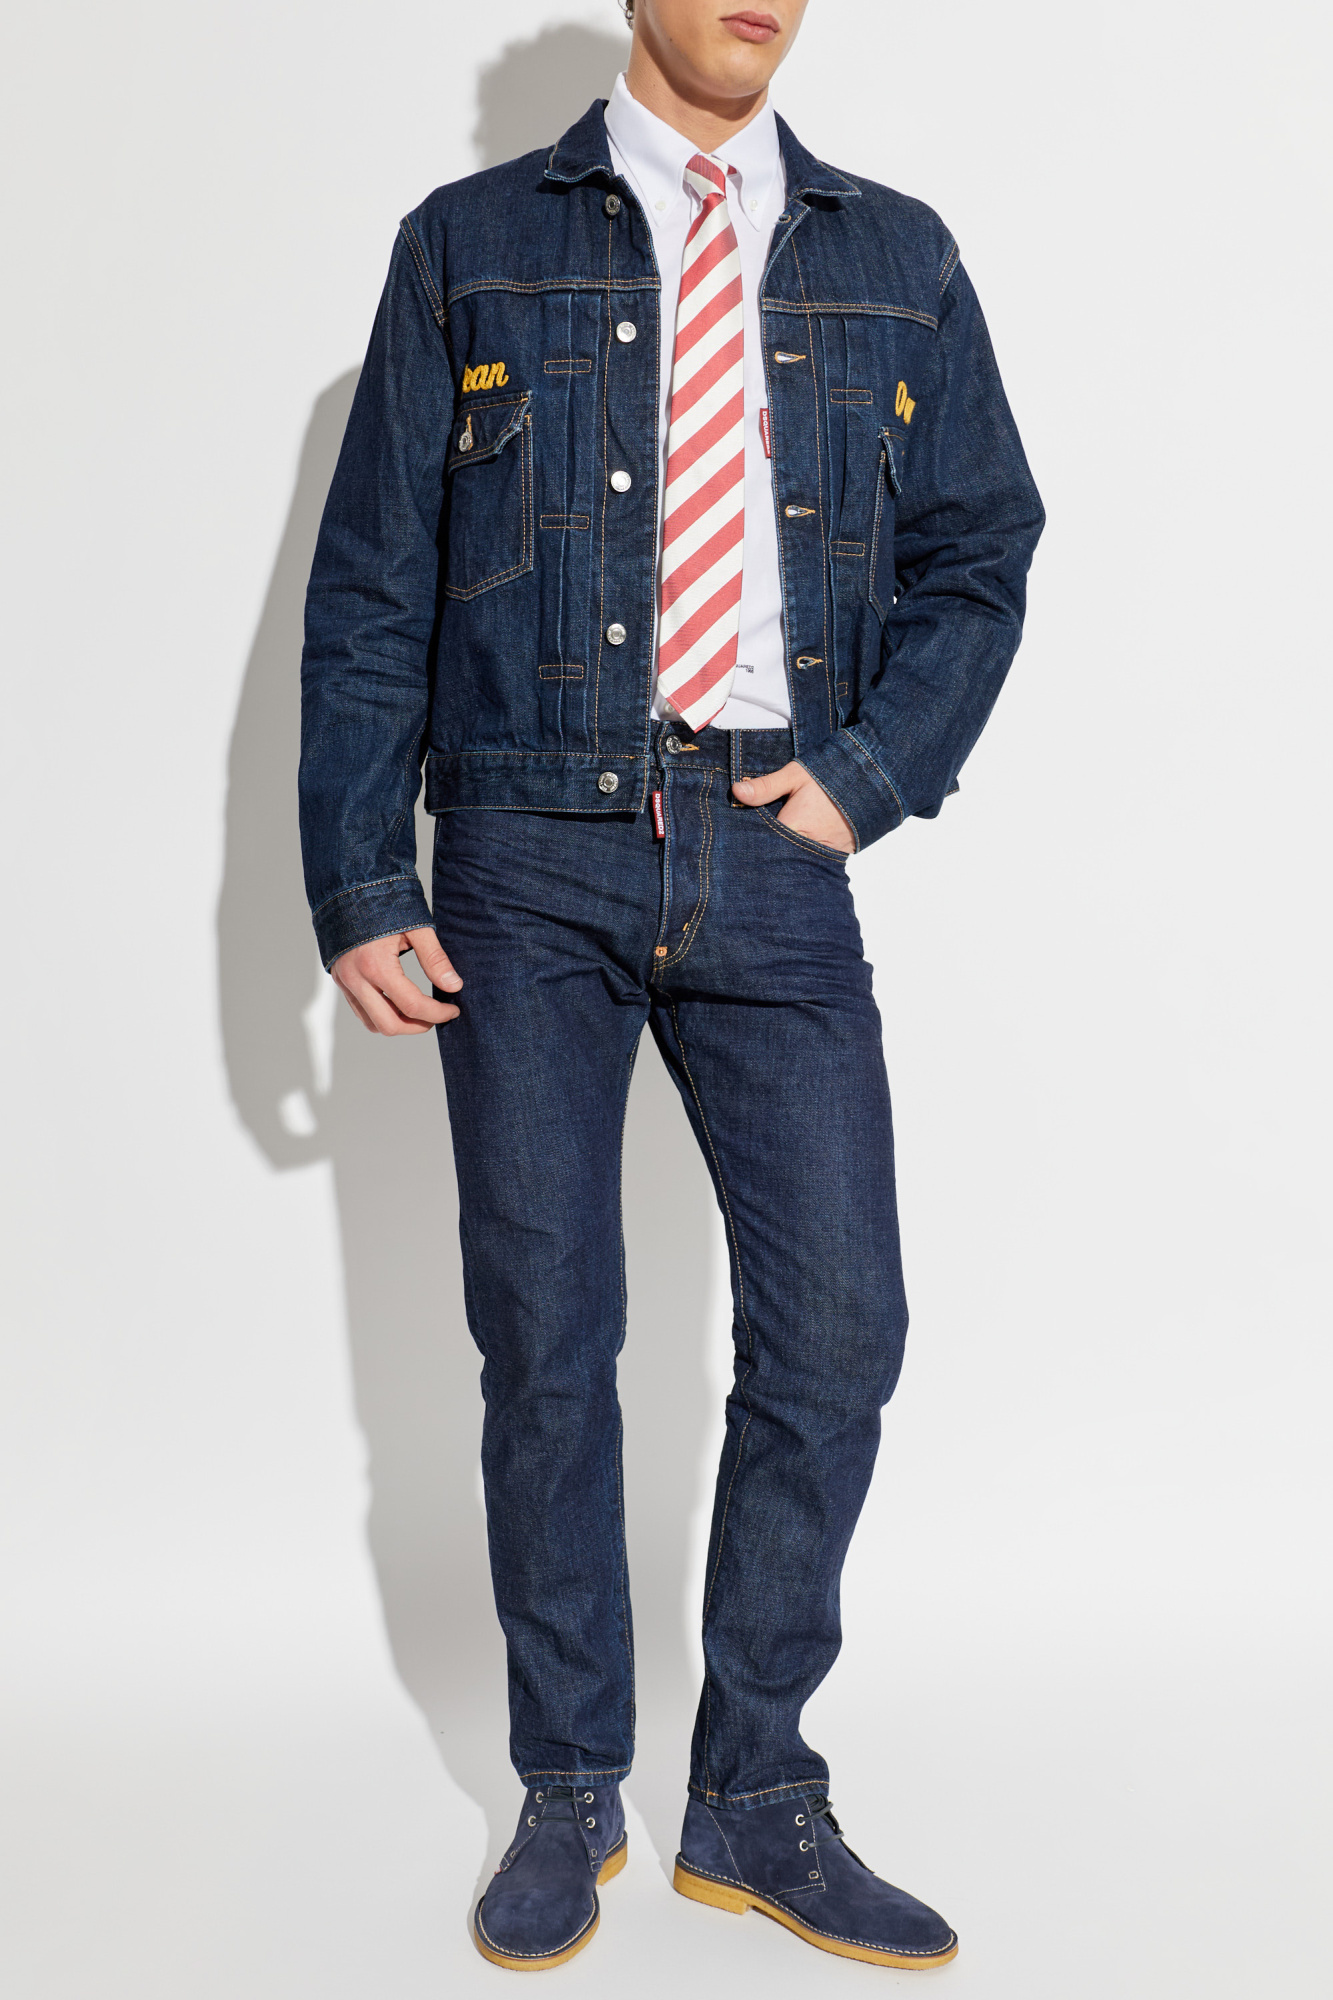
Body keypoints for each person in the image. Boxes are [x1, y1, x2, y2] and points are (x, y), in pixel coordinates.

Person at [299, 0, 1042, 1972]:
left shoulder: (897, 254)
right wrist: (360, 876)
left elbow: (983, 546)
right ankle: (567, 1784)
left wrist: (871, 775)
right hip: (523, 847)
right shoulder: (467, 241)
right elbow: (372, 579)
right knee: (547, 1338)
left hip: (773, 843)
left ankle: (753, 1791)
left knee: (840, 1329)